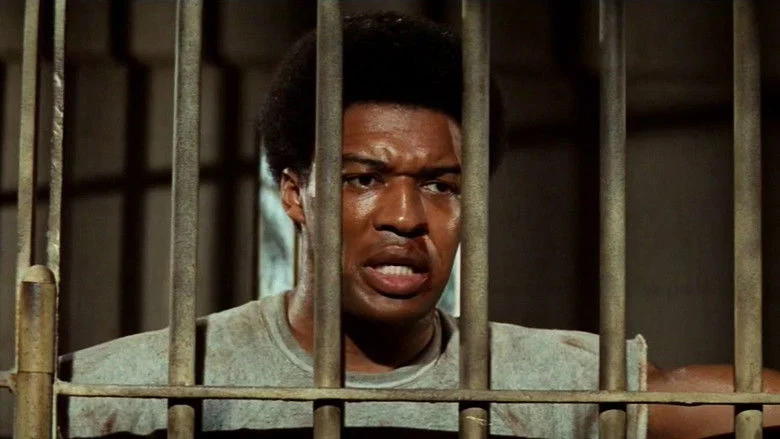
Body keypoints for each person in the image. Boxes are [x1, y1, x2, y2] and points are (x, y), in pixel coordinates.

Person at [59, 11, 780, 438]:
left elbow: (728, 398)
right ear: (294, 194)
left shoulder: (544, 378)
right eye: (364, 179)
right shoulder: (139, 386)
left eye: (440, 185)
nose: (406, 218)